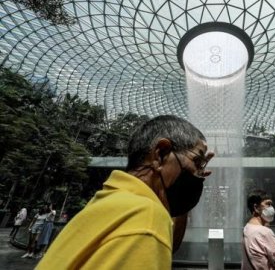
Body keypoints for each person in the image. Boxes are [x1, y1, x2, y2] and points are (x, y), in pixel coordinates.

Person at [36, 115, 214, 269]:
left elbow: (167, 246)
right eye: (197, 160)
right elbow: (150, 232)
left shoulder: (110, 202)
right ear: (160, 155)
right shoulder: (146, 216)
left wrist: (188, 184)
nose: (197, 172)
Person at [242, 189, 275, 270]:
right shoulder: (265, 232)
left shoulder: (247, 228)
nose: (271, 208)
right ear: (256, 207)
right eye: (268, 204)